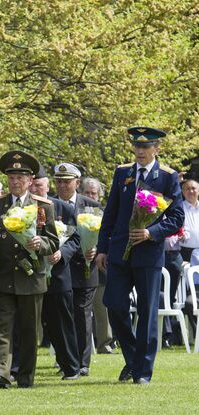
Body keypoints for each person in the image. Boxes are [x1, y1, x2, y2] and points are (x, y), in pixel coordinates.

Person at [96, 127, 184, 385]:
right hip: (119, 253)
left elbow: (176, 217)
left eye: (146, 147)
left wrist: (151, 231)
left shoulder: (167, 177)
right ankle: (134, 359)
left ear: (156, 149)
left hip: (148, 253)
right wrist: (102, 248)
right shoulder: (122, 173)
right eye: (137, 146)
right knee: (114, 305)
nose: (140, 151)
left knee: (146, 312)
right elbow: (110, 213)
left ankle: (142, 371)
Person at [0, 151, 58, 390]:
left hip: (32, 277)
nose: (15, 181)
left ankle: (25, 378)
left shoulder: (43, 207)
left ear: (30, 179)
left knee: (28, 331)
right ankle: (0, 374)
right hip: (4, 275)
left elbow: (53, 241)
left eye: (20, 177)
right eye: (11, 177)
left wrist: (41, 244)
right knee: (2, 328)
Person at [31, 165, 82, 381]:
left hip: (59, 273)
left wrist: (62, 252)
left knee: (62, 322)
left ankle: (71, 367)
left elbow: (77, 237)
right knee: (40, 322)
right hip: (33, 272)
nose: (61, 185)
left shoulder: (62, 207)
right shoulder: (25, 208)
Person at [53, 163, 101, 376]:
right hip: (59, 268)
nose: (63, 185)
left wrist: (97, 249)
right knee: (63, 315)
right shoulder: (49, 205)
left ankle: (82, 362)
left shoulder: (91, 205)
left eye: (67, 181)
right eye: (59, 181)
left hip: (84, 268)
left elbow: (104, 232)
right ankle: (67, 361)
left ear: (77, 183)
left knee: (82, 314)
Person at [80, 177, 114, 354]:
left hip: (99, 268)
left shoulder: (106, 213)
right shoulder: (75, 210)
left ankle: (105, 345)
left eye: (94, 193)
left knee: (102, 310)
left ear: (99, 196)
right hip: (78, 266)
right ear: (81, 193)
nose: (91, 196)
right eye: (87, 192)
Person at [180, 179, 199, 262]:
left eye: (193, 188)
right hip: (184, 253)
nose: (191, 191)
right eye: (187, 189)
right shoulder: (178, 208)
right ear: (183, 192)